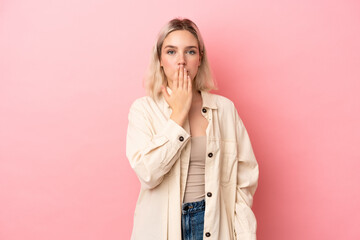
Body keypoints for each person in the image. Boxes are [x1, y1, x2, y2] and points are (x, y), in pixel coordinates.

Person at [126, 17, 259, 240]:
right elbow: (147, 174)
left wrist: (245, 234)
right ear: (160, 59)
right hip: (162, 227)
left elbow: (244, 181)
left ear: (200, 59)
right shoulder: (143, 110)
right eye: (171, 52)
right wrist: (178, 114)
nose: (181, 61)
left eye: (190, 52)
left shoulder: (224, 109)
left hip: (213, 223)